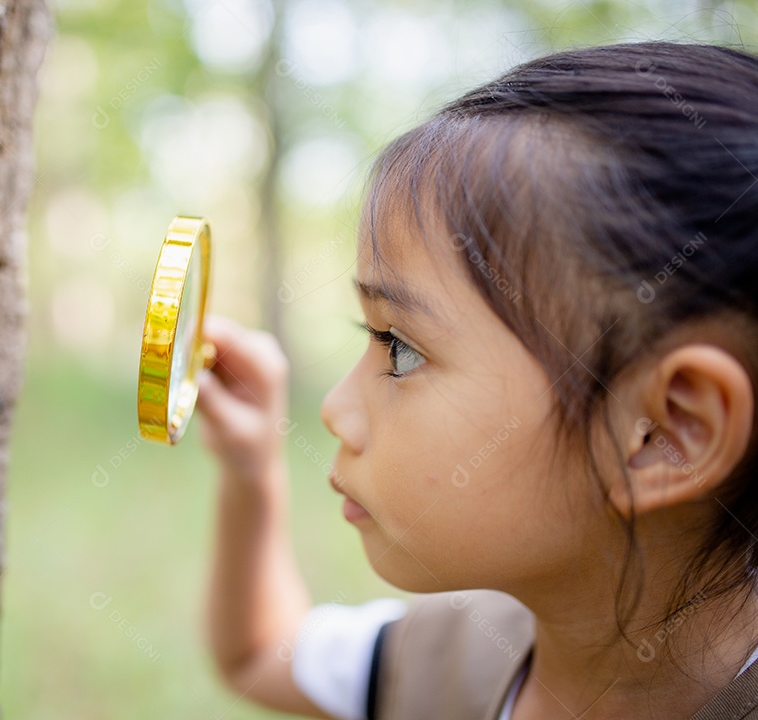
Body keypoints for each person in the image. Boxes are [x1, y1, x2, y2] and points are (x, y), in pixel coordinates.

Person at [195, 41, 758, 720]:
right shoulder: (453, 655)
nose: (336, 410)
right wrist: (250, 472)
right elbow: (263, 653)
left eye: (399, 349)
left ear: (663, 433)